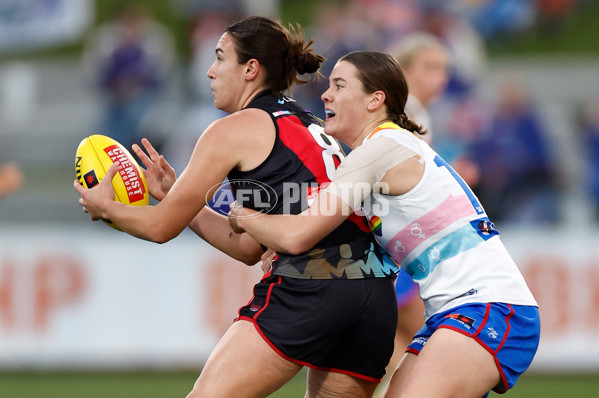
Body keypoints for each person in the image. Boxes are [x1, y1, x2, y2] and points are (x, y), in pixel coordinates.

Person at [75, 17, 398, 398]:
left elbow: (160, 228)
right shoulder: (307, 123)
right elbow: (247, 248)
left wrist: (106, 208)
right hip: (373, 294)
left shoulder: (234, 129)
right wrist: (184, 199)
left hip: (310, 287)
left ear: (250, 70)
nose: (210, 71)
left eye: (219, 58)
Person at [229, 51, 540, 398]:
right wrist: (189, 208)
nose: (325, 95)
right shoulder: (376, 154)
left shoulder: (379, 150)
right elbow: (304, 234)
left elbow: (298, 236)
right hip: (452, 313)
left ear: (376, 100)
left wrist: (242, 215)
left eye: (339, 85)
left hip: (492, 307)